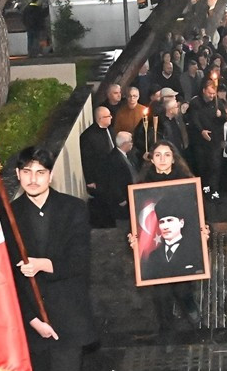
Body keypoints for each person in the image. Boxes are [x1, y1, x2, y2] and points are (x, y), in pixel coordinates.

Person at [0, 147, 98, 371]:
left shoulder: (73, 209)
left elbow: (79, 263)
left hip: (68, 313)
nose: (33, 179)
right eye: (26, 172)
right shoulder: (9, 216)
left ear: (50, 176)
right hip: (32, 320)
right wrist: (30, 319)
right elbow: (5, 278)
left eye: (40, 172)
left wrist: (43, 264)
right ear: (19, 175)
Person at [130, 141, 206, 329]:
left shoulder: (187, 181)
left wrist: (205, 229)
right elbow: (135, 216)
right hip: (156, 246)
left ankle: (189, 306)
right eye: (158, 155)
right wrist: (133, 237)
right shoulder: (142, 185)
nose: (162, 159)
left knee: (182, 288)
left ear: (174, 159)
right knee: (161, 294)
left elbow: (199, 211)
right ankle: (166, 329)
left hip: (183, 240)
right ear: (152, 159)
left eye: (167, 155)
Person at [140, 192, 206, 281]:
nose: (165, 226)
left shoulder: (195, 251)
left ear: (181, 223)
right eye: (162, 222)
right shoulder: (153, 256)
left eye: (170, 220)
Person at [186, 80, 225, 200]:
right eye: (209, 93)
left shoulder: (218, 103)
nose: (212, 96)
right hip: (200, 141)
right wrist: (201, 131)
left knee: (215, 164)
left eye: (214, 93)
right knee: (203, 164)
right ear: (204, 91)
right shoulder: (196, 102)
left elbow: (224, 119)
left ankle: (215, 188)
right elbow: (194, 119)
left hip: (214, 140)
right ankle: (205, 185)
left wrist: (221, 116)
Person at [79, 105, 116, 227]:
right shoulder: (88, 136)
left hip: (111, 173)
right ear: (100, 118)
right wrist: (90, 180)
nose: (111, 117)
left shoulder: (109, 130)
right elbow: (87, 159)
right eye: (108, 116)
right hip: (98, 175)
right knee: (101, 202)